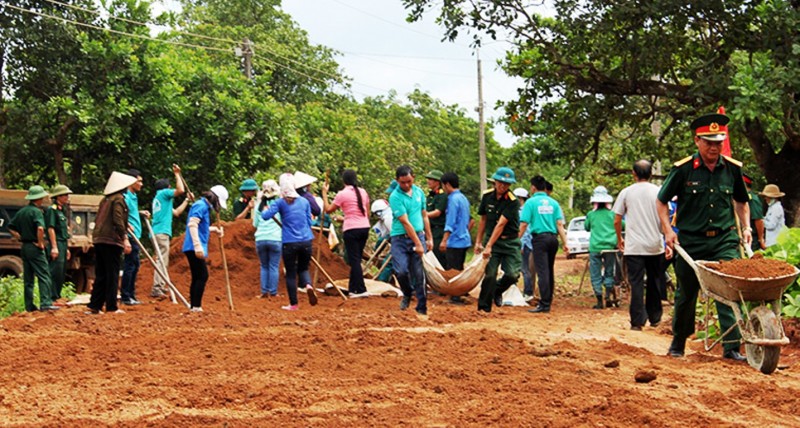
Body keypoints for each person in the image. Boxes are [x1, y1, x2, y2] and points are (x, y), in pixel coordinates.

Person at [657, 112, 751, 361]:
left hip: (724, 240)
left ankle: (731, 347)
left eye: (718, 142)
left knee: (728, 289)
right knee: (686, 293)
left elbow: (742, 202)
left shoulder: (731, 169)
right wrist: (668, 231)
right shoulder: (683, 170)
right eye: (709, 142)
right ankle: (678, 343)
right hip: (691, 241)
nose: (714, 147)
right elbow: (661, 201)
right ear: (697, 141)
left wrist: (747, 227)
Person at [613, 160, 665, 330]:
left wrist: (619, 239)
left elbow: (617, 219)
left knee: (635, 284)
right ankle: (655, 317)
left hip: (634, 246)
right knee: (654, 281)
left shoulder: (626, 193)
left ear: (633, 174)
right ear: (650, 174)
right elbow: (665, 219)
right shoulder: (658, 192)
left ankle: (637, 322)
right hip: (655, 245)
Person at [261, 173, 318, 311]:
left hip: (289, 242)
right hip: (306, 241)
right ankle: (308, 285)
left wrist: (265, 209)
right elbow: (310, 221)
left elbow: (265, 217)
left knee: (291, 273)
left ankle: (294, 304)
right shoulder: (304, 201)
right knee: (303, 268)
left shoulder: (280, 202)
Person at [87, 172, 137, 314]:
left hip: (99, 239)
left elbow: (109, 219)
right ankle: (111, 306)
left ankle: (95, 305)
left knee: (101, 273)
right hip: (111, 241)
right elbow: (117, 219)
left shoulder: (106, 200)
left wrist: (126, 225)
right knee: (112, 273)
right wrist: (125, 237)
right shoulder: (119, 199)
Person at [475, 167, 522, 313]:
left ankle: (497, 290)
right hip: (493, 241)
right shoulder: (487, 196)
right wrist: (478, 242)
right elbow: (483, 220)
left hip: (510, 242)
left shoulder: (513, 201)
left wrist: (488, 246)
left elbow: (501, 224)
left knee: (512, 274)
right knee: (490, 274)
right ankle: (483, 308)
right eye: (500, 182)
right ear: (494, 181)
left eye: (506, 184)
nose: (502, 186)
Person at [520, 175, 569, 314]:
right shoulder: (554, 203)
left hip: (539, 240)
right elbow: (559, 224)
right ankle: (548, 300)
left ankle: (544, 304)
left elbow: (524, 224)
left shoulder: (531, 203)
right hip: (553, 239)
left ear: (533, 187)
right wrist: (565, 243)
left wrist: (517, 240)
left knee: (542, 271)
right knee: (549, 270)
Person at [389, 165, 433, 318]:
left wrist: (429, 237)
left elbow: (424, 215)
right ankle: (407, 293)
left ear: (413, 177)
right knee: (401, 271)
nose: (406, 185)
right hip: (400, 238)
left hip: (419, 236)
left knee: (420, 273)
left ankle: (422, 308)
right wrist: (418, 244)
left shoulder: (420, 192)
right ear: (397, 181)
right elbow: (405, 222)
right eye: (402, 182)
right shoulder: (395, 197)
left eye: (408, 181)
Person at [322, 169, 371, 298]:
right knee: (357, 258)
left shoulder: (342, 194)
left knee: (354, 260)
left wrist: (324, 194)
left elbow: (328, 210)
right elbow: (367, 212)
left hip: (351, 229)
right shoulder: (363, 192)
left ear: (343, 181)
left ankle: (360, 289)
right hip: (364, 227)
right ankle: (353, 288)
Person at [9, 185, 57, 312]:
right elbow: (40, 228)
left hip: (25, 246)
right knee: (44, 275)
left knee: (28, 278)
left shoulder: (22, 212)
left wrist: (19, 237)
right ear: (39, 198)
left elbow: (11, 227)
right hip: (35, 247)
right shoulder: (36, 212)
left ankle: (29, 306)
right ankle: (45, 303)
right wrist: (40, 243)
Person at [182, 185, 227, 312]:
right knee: (202, 275)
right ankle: (196, 306)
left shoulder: (203, 207)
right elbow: (192, 224)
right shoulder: (200, 206)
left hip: (194, 245)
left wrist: (214, 230)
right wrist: (197, 246)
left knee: (197, 276)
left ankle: (194, 306)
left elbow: (200, 227)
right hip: (193, 246)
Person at [150, 165, 189, 298]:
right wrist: (177, 174)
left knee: (162, 259)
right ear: (167, 188)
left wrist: (187, 200)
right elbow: (180, 189)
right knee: (161, 260)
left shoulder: (159, 199)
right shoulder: (163, 194)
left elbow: (177, 213)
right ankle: (157, 288)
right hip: (161, 232)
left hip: (157, 232)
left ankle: (160, 284)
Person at [585, 186, 618, 310]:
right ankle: (608, 296)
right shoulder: (613, 214)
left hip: (595, 247)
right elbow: (622, 226)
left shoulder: (591, 215)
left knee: (595, 273)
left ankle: (599, 300)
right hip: (610, 247)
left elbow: (587, 227)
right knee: (610, 271)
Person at [120, 169, 148, 306]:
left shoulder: (133, 196)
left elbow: (131, 212)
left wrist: (140, 212)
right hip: (130, 236)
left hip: (136, 235)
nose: (141, 184)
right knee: (130, 265)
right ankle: (126, 296)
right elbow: (122, 215)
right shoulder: (125, 197)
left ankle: (131, 294)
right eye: (139, 181)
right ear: (131, 181)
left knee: (135, 265)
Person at [253, 180, 282, 298]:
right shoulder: (279, 204)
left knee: (264, 266)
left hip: (260, 238)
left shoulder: (258, 206)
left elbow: (255, 224)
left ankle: (264, 292)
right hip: (275, 238)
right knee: (274, 266)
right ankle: (273, 292)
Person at [45, 184, 72, 303]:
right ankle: (51, 297)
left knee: (61, 271)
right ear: (58, 197)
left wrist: (66, 248)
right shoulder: (52, 210)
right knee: (55, 270)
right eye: (65, 195)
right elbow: (51, 229)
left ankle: (57, 296)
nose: (67, 197)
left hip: (63, 243)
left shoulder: (62, 210)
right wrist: (54, 247)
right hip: (56, 243)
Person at [440, 172, 472, 270]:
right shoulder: (463, 198)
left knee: (452, 272)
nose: (443, 188)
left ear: (447, 184)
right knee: (459, 269)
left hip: (455, 241)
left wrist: (444, 240)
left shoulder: (453, 200)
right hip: (464, 240)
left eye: (443, 185)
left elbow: (450, 222)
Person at [513, 188, 536, 303]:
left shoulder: (521, 211)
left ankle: (528, 292)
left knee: (524, 269)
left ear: (520, 199)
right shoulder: (529, 209)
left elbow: (525, 229)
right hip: (528, 243)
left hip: (524, 244)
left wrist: (521, 245)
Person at [425, 170, 448, 269]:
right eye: (428, 179)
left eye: (431, 179)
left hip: (439, 231)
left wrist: (423, 216)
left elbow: (437, 212)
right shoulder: (430, 196)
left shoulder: (442, 195)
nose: (428, 181)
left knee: (439, 257)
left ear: (437, 182)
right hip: (430, 230)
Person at [743, 174, 766, 251]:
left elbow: (759, 220)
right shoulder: (739, 197)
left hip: (752, 238)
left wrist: (760, 239)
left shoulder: (752, 199)